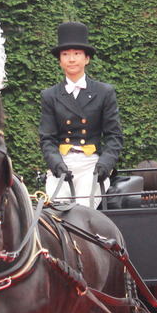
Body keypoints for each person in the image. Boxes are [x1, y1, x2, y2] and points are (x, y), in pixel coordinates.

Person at [39, 21, 123, 205]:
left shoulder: (104, 92)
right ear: (60, 60)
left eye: (77, 54)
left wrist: (104, 165)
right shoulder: (49, 95)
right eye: (66, 54)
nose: (71, 59)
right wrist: (56, 165)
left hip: (91, 165)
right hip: (62, 164)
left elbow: (114, 136)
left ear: (87, 58)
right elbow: (47, 138)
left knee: (84, 210)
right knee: (56, 211)